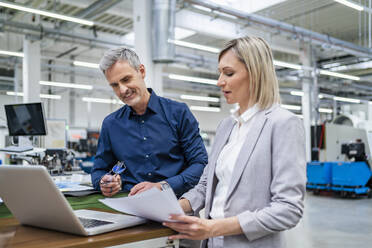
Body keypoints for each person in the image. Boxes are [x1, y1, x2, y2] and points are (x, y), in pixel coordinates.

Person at [163, 36, 306, 248]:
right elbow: (205, 186)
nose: (220, 81)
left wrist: (213, 227)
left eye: (229, 73)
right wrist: (171, 208)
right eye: (220, 73)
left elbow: (288, 209)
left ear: (256, 74)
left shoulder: (283, 124)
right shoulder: (226, 126)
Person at [91, 47, 208, 198]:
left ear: (142, 71)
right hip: (131, 209)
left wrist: (163, 186)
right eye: (115, 85)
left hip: (179, 206)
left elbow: (200, 164)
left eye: (126, 79)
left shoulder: (178, 113)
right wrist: (104, 182)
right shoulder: (111, 124)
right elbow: (99, 170)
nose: (122, 90)